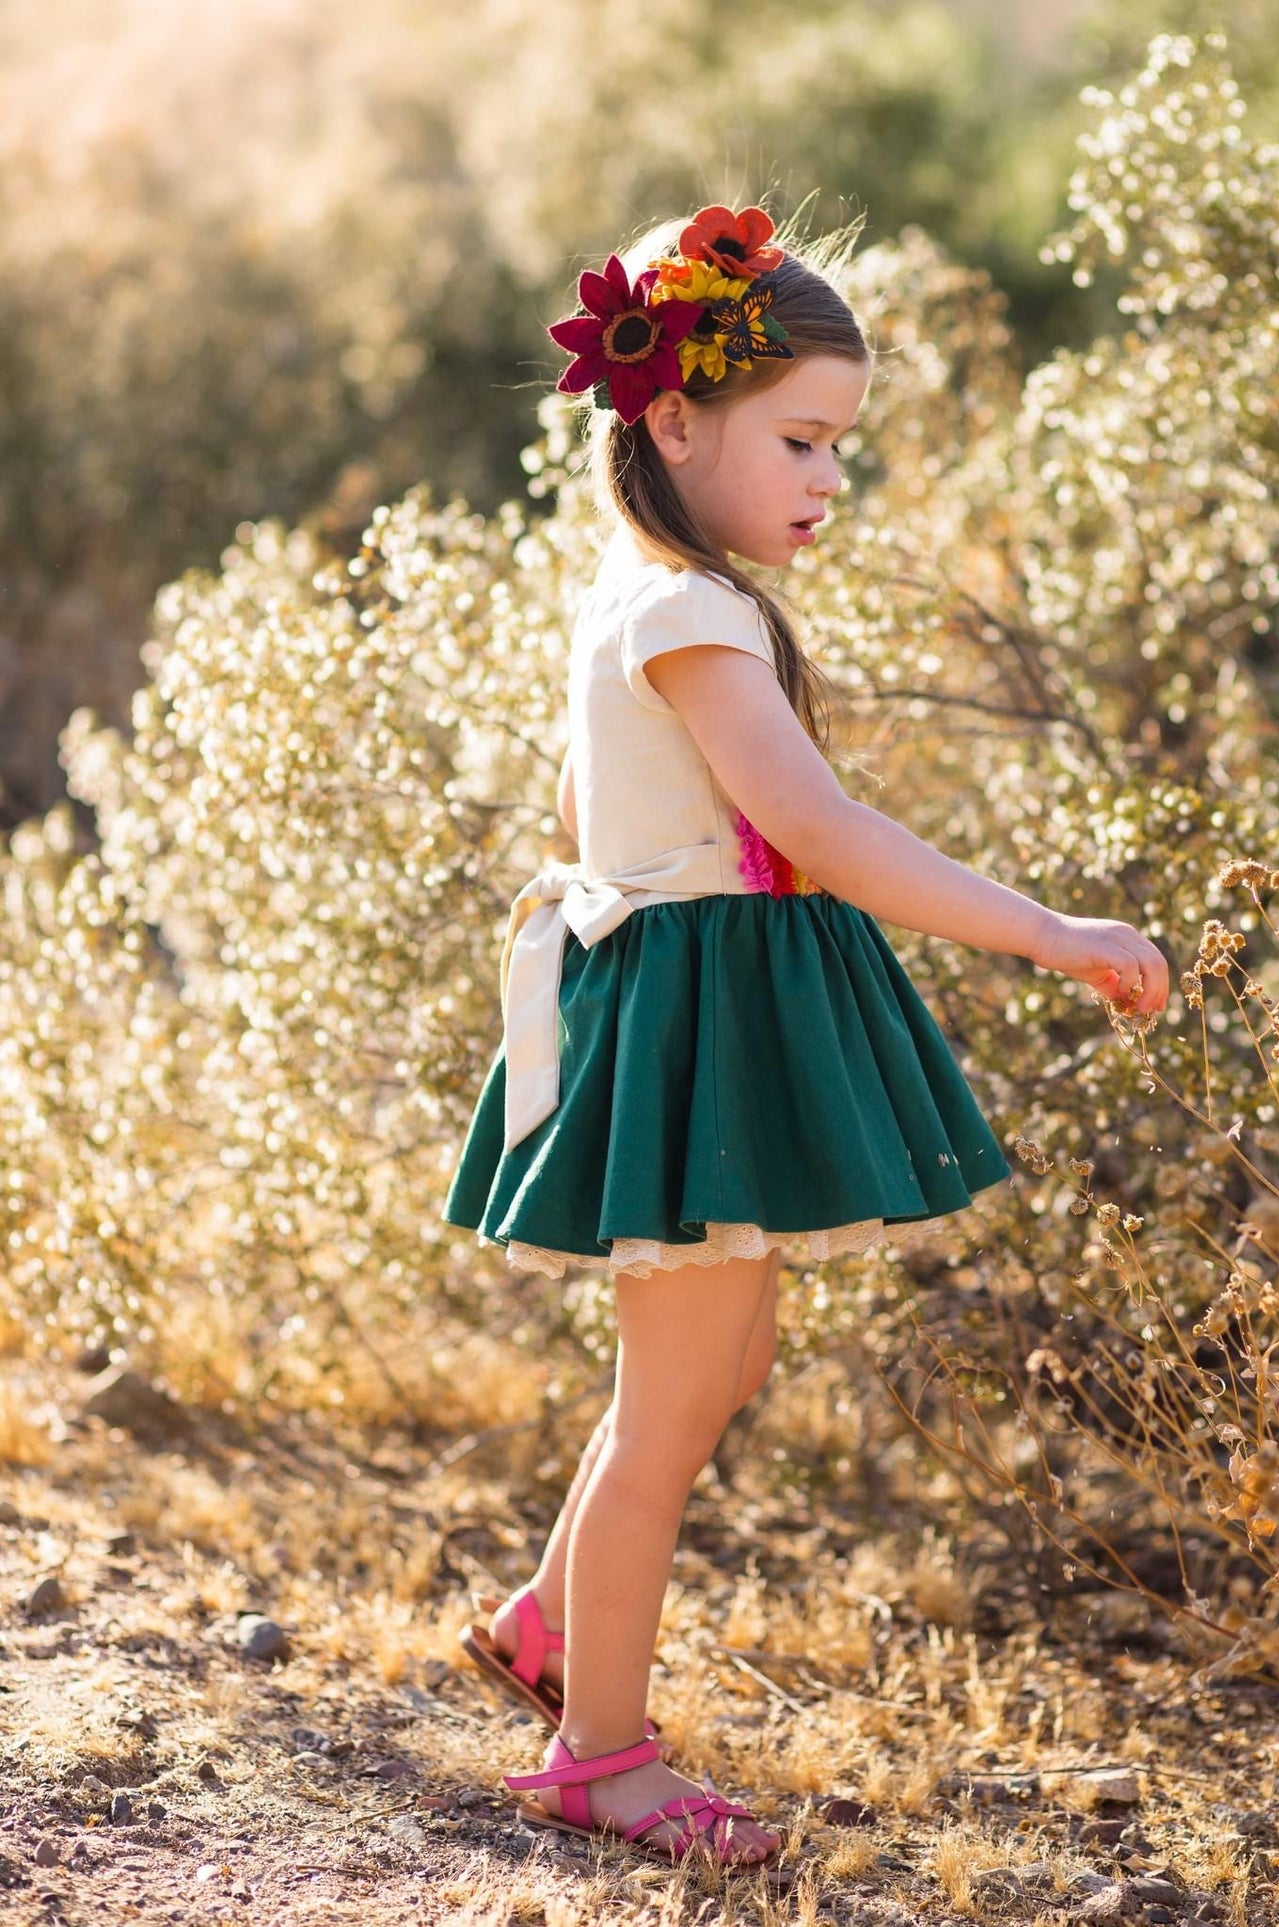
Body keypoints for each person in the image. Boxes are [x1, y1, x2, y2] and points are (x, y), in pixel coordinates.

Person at [442, 203, 1170, 1870]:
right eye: (799, 440)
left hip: (702, 1013)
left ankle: (550, 1628)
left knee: (711, 1371)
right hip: (696, 1022)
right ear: (675, 420)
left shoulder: (659, 596)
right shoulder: (690, 616)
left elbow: (608, 813)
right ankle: (597, 1758)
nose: (828, 478)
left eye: (840, 444)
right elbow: (820, 830)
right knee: (669, 1410)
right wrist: (1046, 931)